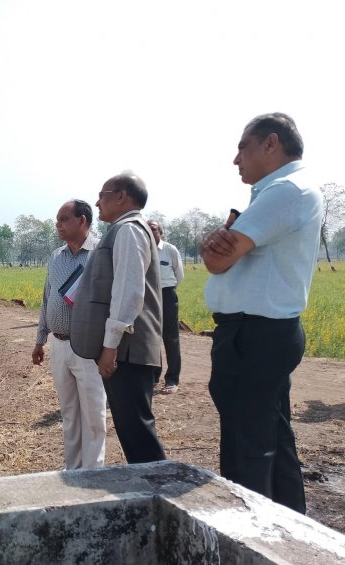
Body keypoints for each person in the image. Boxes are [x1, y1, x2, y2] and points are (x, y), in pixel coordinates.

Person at [200, 113, 322, 514]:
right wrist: (216, 249)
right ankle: (292, 529)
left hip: (256, 334)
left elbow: (219, 260)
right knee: (272, 437)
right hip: (264, 332)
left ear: (271, 144)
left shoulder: (287, 190)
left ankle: (250, 539)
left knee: (246, 446)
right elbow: (222, 256)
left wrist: (214, 248)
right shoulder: (281, 191)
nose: (237, 160)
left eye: (242, 147)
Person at [70, 172, 166, 464]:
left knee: (137, 432)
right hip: (126, 349)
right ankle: (152, 490)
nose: (97, 203)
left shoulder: (128, 230)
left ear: (122, 196)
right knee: (131, 430)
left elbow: (129, 292)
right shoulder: (125, 229)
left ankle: (160, 491)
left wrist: (110, 346)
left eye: (102, 195)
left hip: (128, 349)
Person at [32, 200, 107, 470]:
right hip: (59, 344)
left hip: (89, 346)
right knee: (70, 413)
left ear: (83, 221)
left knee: (93, 414)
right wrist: (40, 339)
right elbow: (46, 298)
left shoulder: (101, 253)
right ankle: (74, 470)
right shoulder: (56, 257)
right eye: (57, 220)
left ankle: (93, 471)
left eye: (64, 219)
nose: (58, 225)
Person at [147, 220, 184, 394]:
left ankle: (172, 379)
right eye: (147, 228)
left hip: (167, 295)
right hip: (148, 297)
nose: (150, 231)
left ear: (160, 231)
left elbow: (179, 274)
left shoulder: (170, 250)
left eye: (153, 228)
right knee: (151, 338)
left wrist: (168, 290)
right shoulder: (142, 249)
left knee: (170, 338)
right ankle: (154, 376)